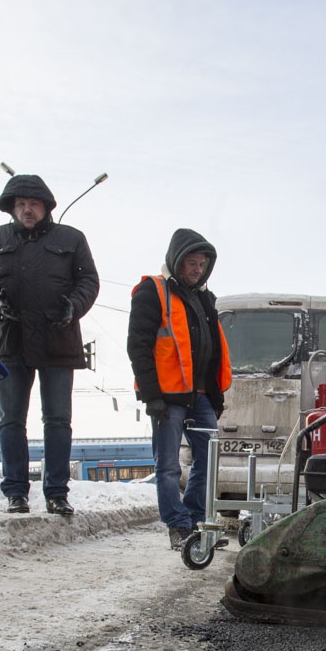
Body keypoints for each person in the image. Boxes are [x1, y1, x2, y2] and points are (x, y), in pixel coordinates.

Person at [0, 175, 100, 516]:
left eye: (33, 204)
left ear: (45, 207)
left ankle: (57, 492)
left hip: (58, 340)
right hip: (11, 342)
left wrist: (73, 306)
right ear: (11, 208)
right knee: (11, 421)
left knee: (58, 420)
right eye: (20, 204)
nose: (26, 210)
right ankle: (16, 492)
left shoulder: (71, 239)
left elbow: (88, 280)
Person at [127, 229, 230, 549]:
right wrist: (151, 395)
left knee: (208, 460)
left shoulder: (204, 298)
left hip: (200, 397)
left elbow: (211, 350)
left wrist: (215, 396)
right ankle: (177, 525)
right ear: (177, 260)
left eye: (202, 264)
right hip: (167, 398)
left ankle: (197, 519)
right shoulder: (152, 291)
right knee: (168, 465)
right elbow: (139, 347)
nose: (197, 269)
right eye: (191, 262)